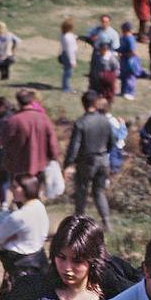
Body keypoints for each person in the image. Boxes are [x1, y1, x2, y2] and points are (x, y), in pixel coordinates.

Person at [64, 91, 114, 230]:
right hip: (103, 159)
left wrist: (69, 163)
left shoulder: (81, 122)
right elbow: (112, 142)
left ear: (83, 104)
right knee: (99, 191)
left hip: (87, 161)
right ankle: (106, 221)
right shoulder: (105, 120)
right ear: (96, 102)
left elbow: (74, 146)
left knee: (81, 190)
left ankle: (78, 222)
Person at [0, 89, 59, 185]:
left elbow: (0, 140)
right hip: (39, 164)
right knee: (34, 191)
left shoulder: (14, 120)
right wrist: (53, 157)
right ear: (32, 100)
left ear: (18, 102)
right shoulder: (44, 118)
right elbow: (52, 143)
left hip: (18, 164)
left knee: (19, 192)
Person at [0, 175, 48, 280]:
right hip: (39, 259)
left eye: (15, 187)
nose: (11, 190)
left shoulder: (18, 216)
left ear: (25, 189)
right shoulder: (39, 206)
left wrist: (11, 238)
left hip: (19, 264)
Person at [118, 22, 141, 100]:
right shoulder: (123, 38)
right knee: (123, 75)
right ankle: (123, 91)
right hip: (123, 59)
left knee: (130, 76)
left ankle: (130, 93)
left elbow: (132, 51)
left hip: (130, 60)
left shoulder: (130, 38)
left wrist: (125, 55)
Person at [59, 18, 78, 92]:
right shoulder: (68, 37)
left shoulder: (64, 34)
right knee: (68, 73)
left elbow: (72, 36)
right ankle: (66, 88)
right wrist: (72, 61)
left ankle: (66, 86)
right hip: (68, 56)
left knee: (66, 71)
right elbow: (70, 50)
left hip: (64, 54)